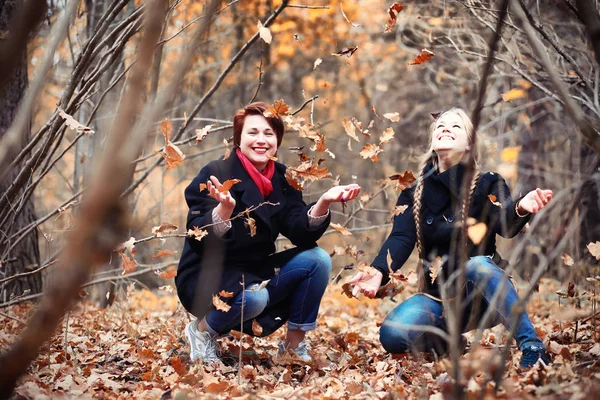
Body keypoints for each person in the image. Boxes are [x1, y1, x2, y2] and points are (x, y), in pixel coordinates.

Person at [347, 108, 553, 369]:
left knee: (477, 264)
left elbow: (505, 224)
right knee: (393, 334)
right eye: (441, 126)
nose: (445, 129)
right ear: (432, 140)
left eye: (456, 127)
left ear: (468, 145)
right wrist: (378, 271)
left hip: (483, 293)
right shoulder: (413, 192)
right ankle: (449, 342)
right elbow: (401, 237)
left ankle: (532, 345)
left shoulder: (488, 182)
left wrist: (521, 207)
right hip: (439, 296)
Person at [176, 101, 360, 364]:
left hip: (255, 272)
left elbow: (298, 231)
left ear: (277, 140)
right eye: (252, 132)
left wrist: (323, 203)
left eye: (268, 133)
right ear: (238, 138)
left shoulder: (283, 178)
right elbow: (198, 237)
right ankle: (202, 332)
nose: (260, 140)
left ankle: (293, 348)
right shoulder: (216, 172)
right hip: (208, 276)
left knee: (318, 260)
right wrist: (225, 210)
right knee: (255, 297)